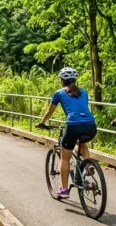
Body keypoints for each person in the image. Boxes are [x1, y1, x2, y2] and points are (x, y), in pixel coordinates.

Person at [37, 67, 97, 199]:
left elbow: (50, 111)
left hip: (73, 126)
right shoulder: (84, 91)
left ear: (62, 81)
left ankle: (64, 190)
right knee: (81, 142)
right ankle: (87, 165)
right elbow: (82, 107)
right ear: (75, 80)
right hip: (91, 126)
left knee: (65, 158)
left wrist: (42, 122)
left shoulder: (59, 93)